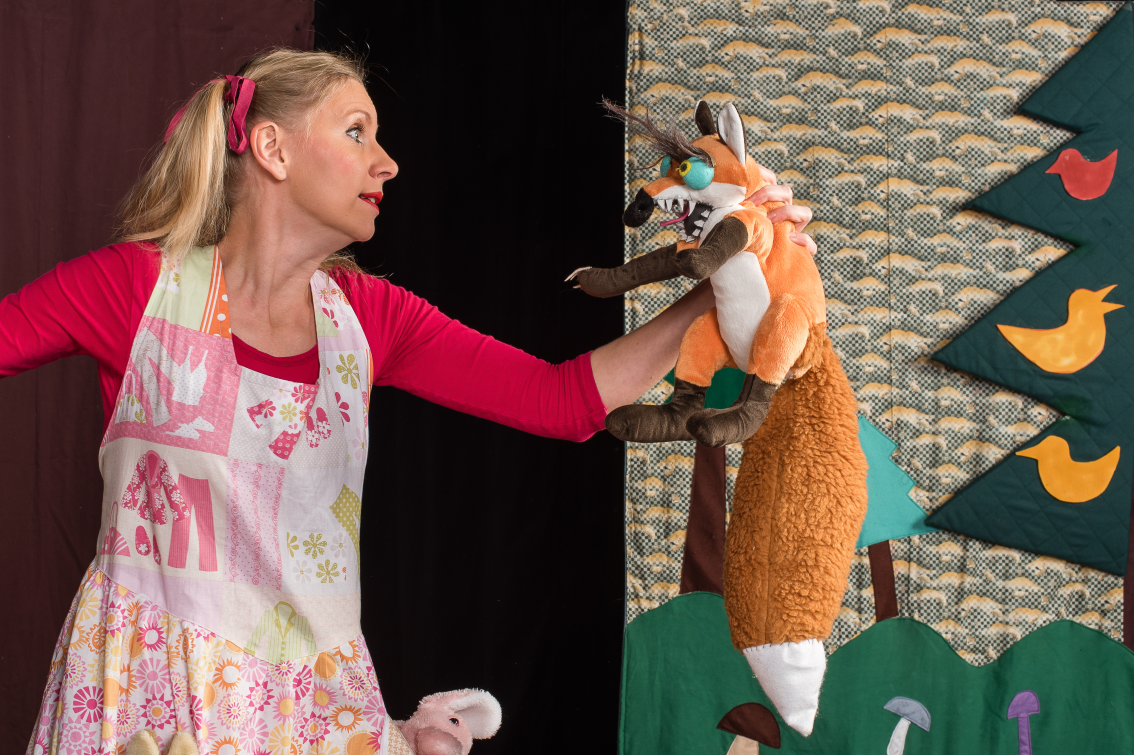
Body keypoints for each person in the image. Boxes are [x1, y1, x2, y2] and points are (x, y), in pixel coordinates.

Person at [0, 48, 814, 754]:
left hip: (311, 717)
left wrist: (721, 287)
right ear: (273, 149)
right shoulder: (136, 289)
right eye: (357, 132)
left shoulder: (369, 318)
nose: (387, 163)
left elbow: (561, 399)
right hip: (145, 700)